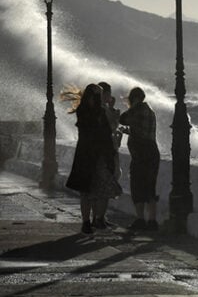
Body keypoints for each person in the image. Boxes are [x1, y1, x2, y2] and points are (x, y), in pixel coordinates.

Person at [65, 83, 122, 234]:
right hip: (91, 157)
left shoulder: (89, 111)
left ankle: (94, 220)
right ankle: (89, 221)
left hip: (91, 156)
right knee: (89, 191)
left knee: (97, 190)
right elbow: (104, 132)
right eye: (98, 96)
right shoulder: (91, 112)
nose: (98, 99)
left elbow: (108, 130)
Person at [119, 87, 160, 231]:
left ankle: (141, 219)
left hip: (141, 154)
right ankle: (152, 221)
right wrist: (128, 131)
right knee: (150, 187)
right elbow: (141, 130)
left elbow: (122, 118)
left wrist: (133, 106)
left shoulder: (137, 110)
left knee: (137, 186)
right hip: (152, 152)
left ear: (135, 98)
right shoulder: (150, 111)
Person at [96, 81, 122, 228]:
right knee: (106, 186)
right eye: (109, 93)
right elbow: (112, 126)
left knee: (99, 187)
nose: (111, 97)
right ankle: (99, 219)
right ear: (105, 94)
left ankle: (98, 218)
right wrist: (112, 109)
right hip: (106, 153)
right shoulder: (104, 110)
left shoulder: (95, 109)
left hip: (99, 152)